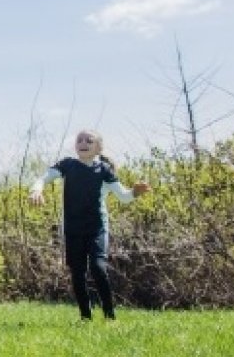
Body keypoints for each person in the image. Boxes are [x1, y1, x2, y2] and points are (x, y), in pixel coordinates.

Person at [29, 129, 149, 321]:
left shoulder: (104, 171)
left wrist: (135, 192)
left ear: (98, 148)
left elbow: (124, 197)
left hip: (97, 228)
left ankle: (110, 316)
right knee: (77, 273)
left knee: (98, 267)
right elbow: (43, 178)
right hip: (72, 229)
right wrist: (37, 190)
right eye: (80, 140)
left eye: (89, 140)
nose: (83, 143)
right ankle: (86, 317)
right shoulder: (67, 165)